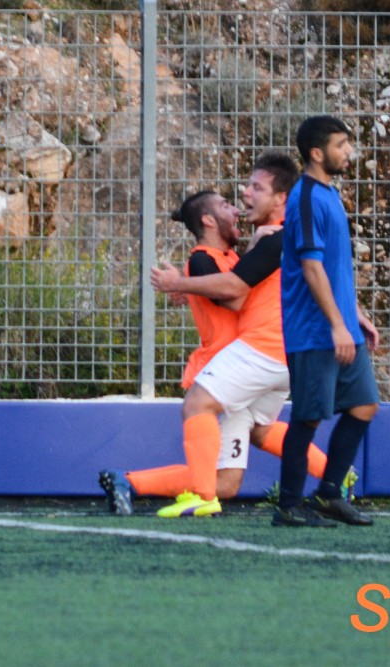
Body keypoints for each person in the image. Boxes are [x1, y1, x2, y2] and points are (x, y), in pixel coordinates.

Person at [101, 154, 331, 516]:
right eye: (227, 204)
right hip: (252, 359)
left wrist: (182, 284)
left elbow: (236, 290)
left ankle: (201, 496)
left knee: (198, 407)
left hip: (256, 356)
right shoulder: (208, 257)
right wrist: (186, 284)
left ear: (280, 198)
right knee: (240, 463)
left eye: (255, 187)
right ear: (208, 220)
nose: (239, 202)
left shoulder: (267, 243)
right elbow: (235, 288)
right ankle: (130, 483)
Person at [273, 115, 381, 528]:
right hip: (315, 332)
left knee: (365, 406)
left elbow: (333, 269)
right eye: (340, 144)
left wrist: (355, 316)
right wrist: (337, 325)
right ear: (317, 154)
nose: (349, 151)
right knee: (308, 417)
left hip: (341, 326)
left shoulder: (330, 194)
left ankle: (329, 494)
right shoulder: (304, 198)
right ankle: (288, 506)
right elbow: (311, 268)